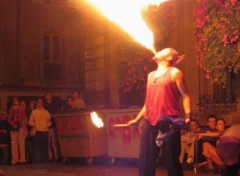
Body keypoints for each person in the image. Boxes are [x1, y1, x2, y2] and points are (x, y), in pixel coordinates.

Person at [126, 48, 191, 176]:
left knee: (172, 162)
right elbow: (147, 103)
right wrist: (137, 119)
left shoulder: (175, 73)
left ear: (168, 57)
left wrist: (188, 116)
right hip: (150, 122)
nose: (158, 52)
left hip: (169, 123)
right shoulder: (150, 75)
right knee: (145, 161)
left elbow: (186, 96)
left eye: (163, 51)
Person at [28, 98, 51, 163]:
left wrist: (46, 125)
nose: (40, 103)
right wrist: (35, 125)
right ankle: (36, 160)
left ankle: (45, 160)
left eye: (41, 102)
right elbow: (30, 121)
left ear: (42, 103)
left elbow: (49, 122)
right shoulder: (34, 112)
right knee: (36, 146)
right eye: (38, 102)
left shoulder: (46, 112)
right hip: (37, 131)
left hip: (44, 131)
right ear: (37, 103)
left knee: (45, 146)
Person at [7, 97, 26, 165]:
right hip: (13, 128)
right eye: (14, 101)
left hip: (20, 127)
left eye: (16, 101)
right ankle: (15, 160)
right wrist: (12, 123)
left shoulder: (22, 109)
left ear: (18, 102)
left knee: (21, 144)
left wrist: (13, 122)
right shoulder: (11, 109)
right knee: (14, 144)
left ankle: (22, 159)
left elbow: (21, 118)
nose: (15, 102)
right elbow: (9, 118)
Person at [43, 91, 60, 162]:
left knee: (54, 142)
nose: (49, 96)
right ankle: (50, 156)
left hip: (53, 125)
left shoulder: (55, 105)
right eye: (47, 95)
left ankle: (56, 156)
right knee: (48, 142)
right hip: (46, 126)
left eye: (50, 95)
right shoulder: (44, 105)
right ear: (45, 97)